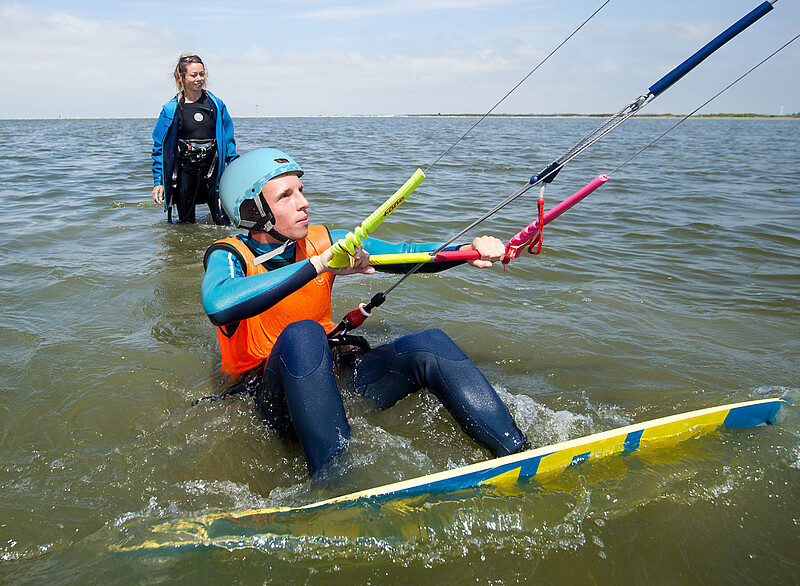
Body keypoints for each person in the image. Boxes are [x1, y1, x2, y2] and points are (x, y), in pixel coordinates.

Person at [201, 148, 528, 475]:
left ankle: (517, 452)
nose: (304, 202)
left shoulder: (325, 240)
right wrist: (317, 265)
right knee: (305, 333)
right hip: (273, 399)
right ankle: (334, 483)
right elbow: (219, 303)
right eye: (286, 195)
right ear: (252, 211)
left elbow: (405, 254)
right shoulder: (230, 254)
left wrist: (466, 252)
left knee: (431, 344)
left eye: (301, 190)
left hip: (332, 377)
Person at [151, 54, 238, 224]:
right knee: (185, 225)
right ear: (181, 78)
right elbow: (159, 149)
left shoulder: (216, 104)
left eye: (202, 74)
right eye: (193, 75)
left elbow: (228, 142)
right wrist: (158, 182)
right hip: (185, 171)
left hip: (213, 171)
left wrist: (236, 169)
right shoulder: (170, 109)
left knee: (224, 223)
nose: (199, 79)